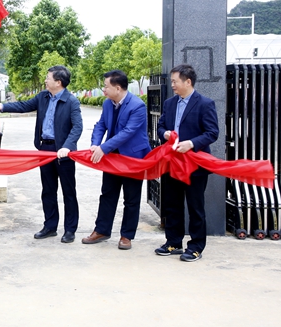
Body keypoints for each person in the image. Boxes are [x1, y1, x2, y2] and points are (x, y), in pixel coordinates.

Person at [0, 65, 83, 243]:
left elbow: (77, 127)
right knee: (48, 190)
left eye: (48, 78)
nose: (45, 80)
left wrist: (67, 147)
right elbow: (24, 105)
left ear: (58, 82)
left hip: (64, 153)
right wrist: (2, 106)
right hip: (45, 150)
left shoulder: (71, 101)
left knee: (68, 192)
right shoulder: (43, 97)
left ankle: (70, 230)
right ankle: (50, 226)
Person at [81, 70, 151, 250]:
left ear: (118, 88)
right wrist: (95, 144)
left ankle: (127, 235)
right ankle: (102, 230)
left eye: (106, 86)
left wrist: (104, 148)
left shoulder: (137, 106)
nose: (103, 90)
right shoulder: (107, 103)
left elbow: (128, 132)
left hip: (132, 158)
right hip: (112, 158)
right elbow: (101, 125)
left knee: (131, 198)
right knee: (107, 195)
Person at [156, 64, 219, 262]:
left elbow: (212, 133)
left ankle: (196, 246)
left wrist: (191, 143)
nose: (172, 85)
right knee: (172, 205)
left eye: (175, 81)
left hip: (195, 165)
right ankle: (174, 242)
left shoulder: (205, 104)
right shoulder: (169, 103)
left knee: (195, 207)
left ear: (188, 81)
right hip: (172, 163)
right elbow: (160, 126)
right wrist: (165, 133)